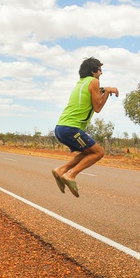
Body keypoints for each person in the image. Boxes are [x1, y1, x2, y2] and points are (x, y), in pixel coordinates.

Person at [52, 57, 119, 197]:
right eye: (100, 70)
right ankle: (71, 175)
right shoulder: (94, 81)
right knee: (99, 152)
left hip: (61, 128)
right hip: (71, 128)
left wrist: (104, 89)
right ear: (93, 70)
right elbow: (98, 107)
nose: (101, 73)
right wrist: (107, 92)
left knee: (88, 152)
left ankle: (61, 170)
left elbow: (93, 90)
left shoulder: (81, 83)